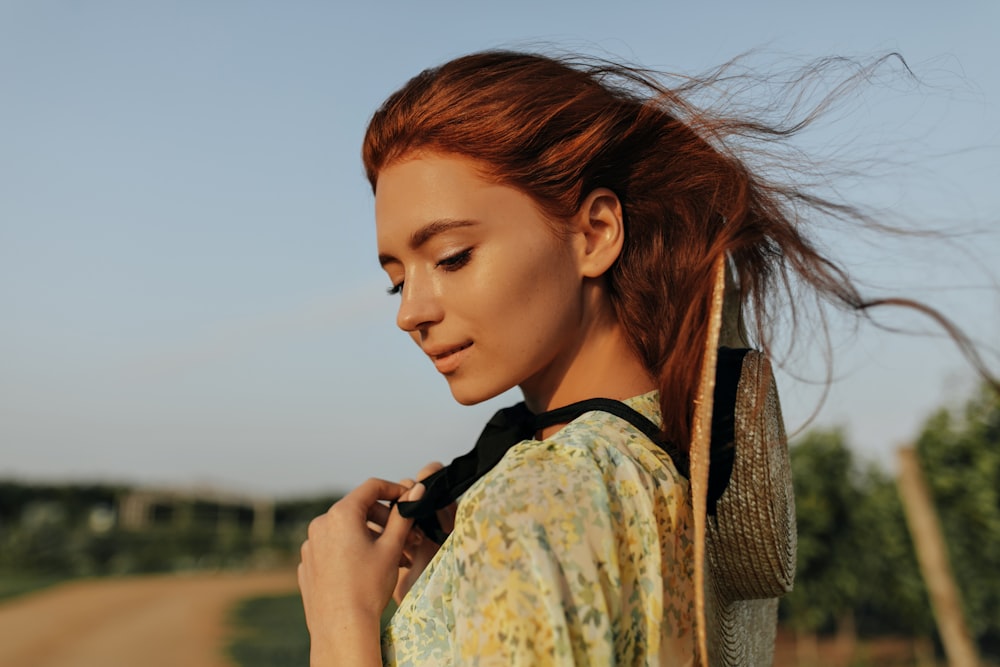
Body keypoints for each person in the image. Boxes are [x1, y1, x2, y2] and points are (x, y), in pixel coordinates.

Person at [296, 50, 994, 666]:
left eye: (451, 257)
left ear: (595, 233)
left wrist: (340, 624)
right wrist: (449, 588)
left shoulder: (539, 502)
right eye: (397, 277)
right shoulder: (647, 466)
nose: (408, 311)